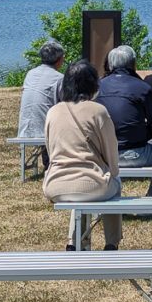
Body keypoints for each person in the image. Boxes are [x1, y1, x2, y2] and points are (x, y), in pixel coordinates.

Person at [42, 59, 122, 251]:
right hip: (93, 184)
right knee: (112, 185)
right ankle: (112, 243)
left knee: (80, 194)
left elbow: (50, 149)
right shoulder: (98, 111)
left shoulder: (53, 112)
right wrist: (112, 172)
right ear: (93, 83)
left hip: (55, 185)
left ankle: (75, 242)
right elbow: (112, 156)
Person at [95, 45, 152, 197]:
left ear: (110, 64)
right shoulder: (142, 87)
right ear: (133, 64)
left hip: (103, 154)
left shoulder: (97, 87)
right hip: (135, 152)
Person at [16, 39, 65, 173]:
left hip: (25, 127)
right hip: (45, 130)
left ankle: (47, 163)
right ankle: (52, 163)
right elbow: (66, 103)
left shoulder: (30, 74)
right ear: (59, 59)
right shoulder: (59, 78)